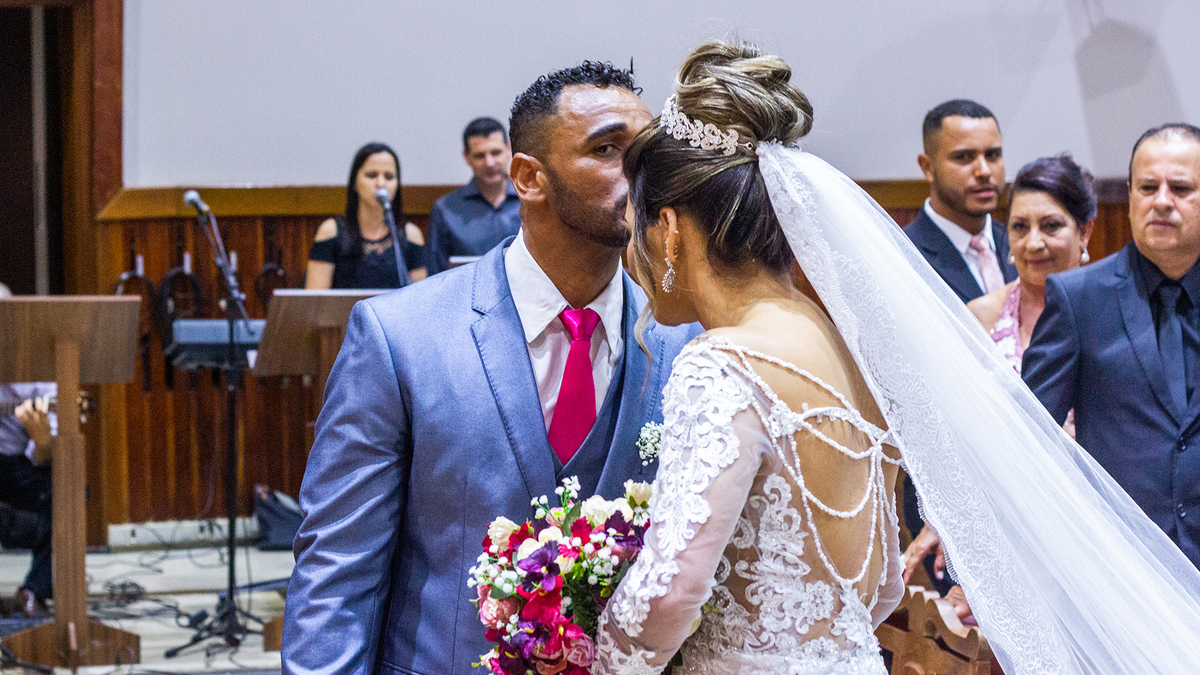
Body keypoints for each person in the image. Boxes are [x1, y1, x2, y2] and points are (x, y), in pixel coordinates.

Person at [596, 40, 1200, 675]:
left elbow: (670, 593)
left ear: (669, 229)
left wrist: (596, 655)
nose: (633, 250)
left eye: (636, 226)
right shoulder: (846, 348)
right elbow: (882, 582)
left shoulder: (720, 363)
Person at [282, 62, 698, 675]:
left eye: (646, 152)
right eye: (608, 150)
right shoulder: (401, 337)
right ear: (528, 177)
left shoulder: (686, 341)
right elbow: (337, 572)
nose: (642, 175)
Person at [901, 154, 1097, 619]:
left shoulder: (1107, 312)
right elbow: (950, 438)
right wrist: (948, 520)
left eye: (1051, 225)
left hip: (1086, 537)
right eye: (1020, 227)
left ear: (1085, 232)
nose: (1033, 243)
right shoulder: (980, 316)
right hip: (995, 536)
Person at [1024, 123, 1200, 571]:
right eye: (1148, 187)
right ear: (1130, 195)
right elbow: (1026, 437)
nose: (1162, 201)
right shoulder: (1078, 299)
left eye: (1181, 188)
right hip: (1119, 569)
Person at [904, 99, 1017, 303]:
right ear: (928, 167)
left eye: (993, 155)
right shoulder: (903, 254)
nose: (984, 171)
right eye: (963, 157)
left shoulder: (1020, 242)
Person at [0, 286, 56, 618]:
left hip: (15, 464)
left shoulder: (39, 366)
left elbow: (44, 457)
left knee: (67, 487)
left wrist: (42, 441)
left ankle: (34, 589)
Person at [305, 142, 427, 289]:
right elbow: (316, 298)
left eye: (389, 177)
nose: (381, 183)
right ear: (355, 182)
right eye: (371, 175)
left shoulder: (411, 235)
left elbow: (420, 297)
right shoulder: (331, 231)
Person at [425, 117, 522, 276]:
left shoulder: (530, 201)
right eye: (479, 156)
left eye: (496, 152)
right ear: (466, 156)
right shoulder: (445, 210)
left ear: (509, 150)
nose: (489, 163)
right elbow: (435, 276)